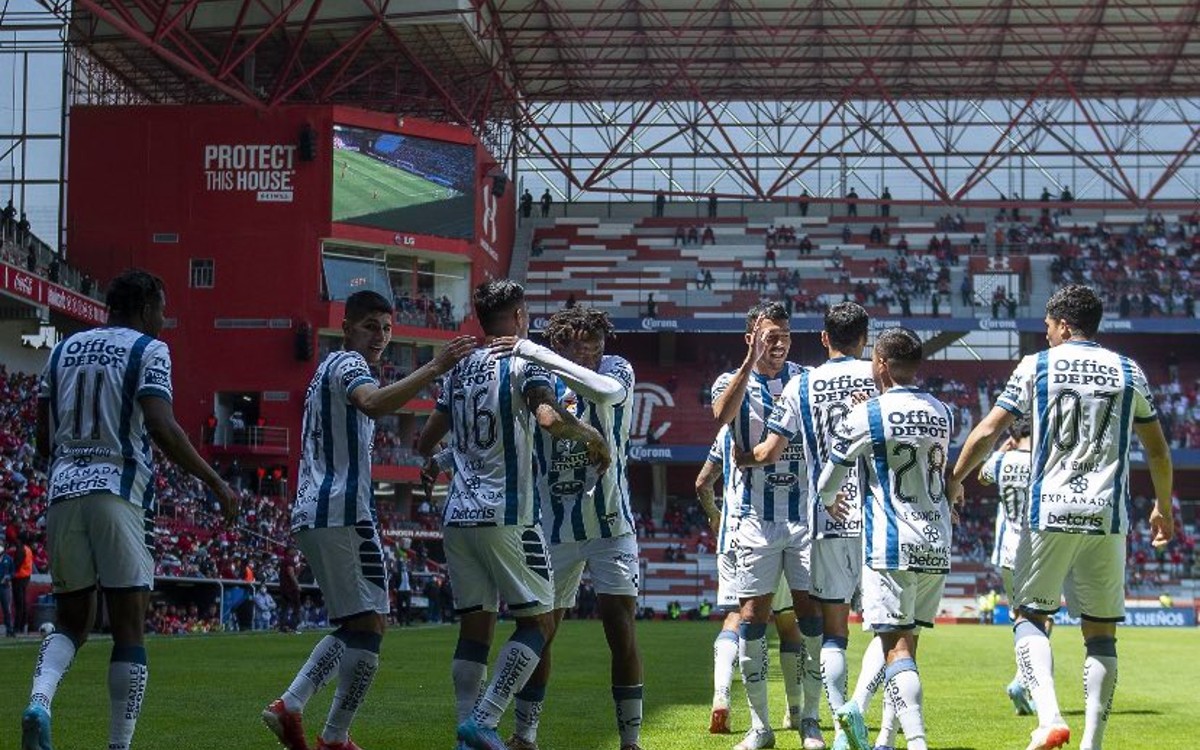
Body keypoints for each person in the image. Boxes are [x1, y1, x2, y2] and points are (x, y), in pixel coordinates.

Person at [949, 285, 1174, 750]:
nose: (1046, 335)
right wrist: (1163, 507)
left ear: (1064, 325)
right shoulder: (1128, 370)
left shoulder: (1036, 366)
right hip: (1106, 514)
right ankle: (1092, 743)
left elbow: (991, 428)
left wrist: (956, 477)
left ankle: (1049, 716)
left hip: (1049, 510)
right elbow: (1156, 447)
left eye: (1048, 327)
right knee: (1101, 635)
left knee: (1030, 616)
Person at [24, 269, 239, 750]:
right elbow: (162, 426)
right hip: (119, 493)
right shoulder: (148, 350)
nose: (164, 320)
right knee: (128, 626)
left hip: (62, 494)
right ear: (145, 307)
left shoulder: (61, 351)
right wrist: (216, 481)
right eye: (161, 309)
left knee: (71, 622)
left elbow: (41, 438)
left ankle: (39, 700)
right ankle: (119, 745)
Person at [262, 290, 476, 750]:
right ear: (347, 328)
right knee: (372, 623)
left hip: (322, 509)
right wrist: (435, 367)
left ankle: (297, 709)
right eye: (369, 326)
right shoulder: (349, 366)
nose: (379, 336)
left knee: (358, 625)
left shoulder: (326, 370)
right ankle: (325, 729)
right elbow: (374, 403)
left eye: (386, 327)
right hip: (339, 509)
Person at [416, 279, 611, 750]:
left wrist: (452, 460)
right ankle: (484, 720)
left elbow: (424, 443)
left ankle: (467, 736)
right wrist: (590, 435)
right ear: (520, 315)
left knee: (475, 630)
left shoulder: (459, 370)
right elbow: (548, 418)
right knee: (539, 624)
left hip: (457, 517)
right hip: (507, 516)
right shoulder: (522, 361)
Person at [740, 302, 881, 750]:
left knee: (831, 629)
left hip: (827, 519)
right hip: (881, 520)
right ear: (866, 338)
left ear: (823, 339)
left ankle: (834, 728)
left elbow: (769, 452)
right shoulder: (880, 379)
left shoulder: (802, 384)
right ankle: (877, 725)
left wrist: (735, 459)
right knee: (891, 633)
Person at [509, 306, 645, 750]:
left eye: (595, 342)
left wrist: (549, 357)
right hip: (554, 528)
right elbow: (544, 415)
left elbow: (606, 392)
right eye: (579, 342)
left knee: (620, 629)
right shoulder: (539, 375)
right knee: (541, 631)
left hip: (612, 524)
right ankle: (525, 735)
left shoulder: (615, 368)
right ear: (559, 342)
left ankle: (630, 741)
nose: (590, 351)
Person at [815, 327, 954, 750]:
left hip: (891, 543)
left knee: (894, 646)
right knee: (906, 643)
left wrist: (826, 499)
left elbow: (831, 475)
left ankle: (916, 741)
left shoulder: (869, 414)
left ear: (880, 363)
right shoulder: (943, 411)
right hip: (936, 538)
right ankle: (885, 736)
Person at [712, 302, 825, 750]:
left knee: (807, 614)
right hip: (755, 521)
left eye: (784, 335)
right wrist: (748, 362)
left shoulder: (805, 378)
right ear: (750, 338)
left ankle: (810, 719)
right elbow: (720, 416)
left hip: (803, 518)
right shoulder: (730, 380)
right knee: (752, 619)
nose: (777, 344)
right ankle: (761, 727)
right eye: (768, 336)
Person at [697, 426, 809, 737]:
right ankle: (795, 710)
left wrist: (715, 515)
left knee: (735, 618)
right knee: (788, 623)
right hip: (774, 531)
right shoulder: (777, 427)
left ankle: (721, 695)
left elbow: (703, 483)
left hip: (732, 537)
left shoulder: (723, 434)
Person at [976, 421, 1042, 717]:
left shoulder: (1002, 460)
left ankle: (1024, 679)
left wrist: (1001, 450)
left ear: (1013, 436)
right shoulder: (1042, 460)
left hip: (1006, 550)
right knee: (1041, 618)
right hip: (1037, 550)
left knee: (1019, 616)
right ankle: (1024, 680)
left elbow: (982, 477)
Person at [0, 543, 13, 637]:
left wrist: (8, 577)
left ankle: (9, 629)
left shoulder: (8, 559)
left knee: (7, 609)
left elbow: (13, 571)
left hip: (5, 587)